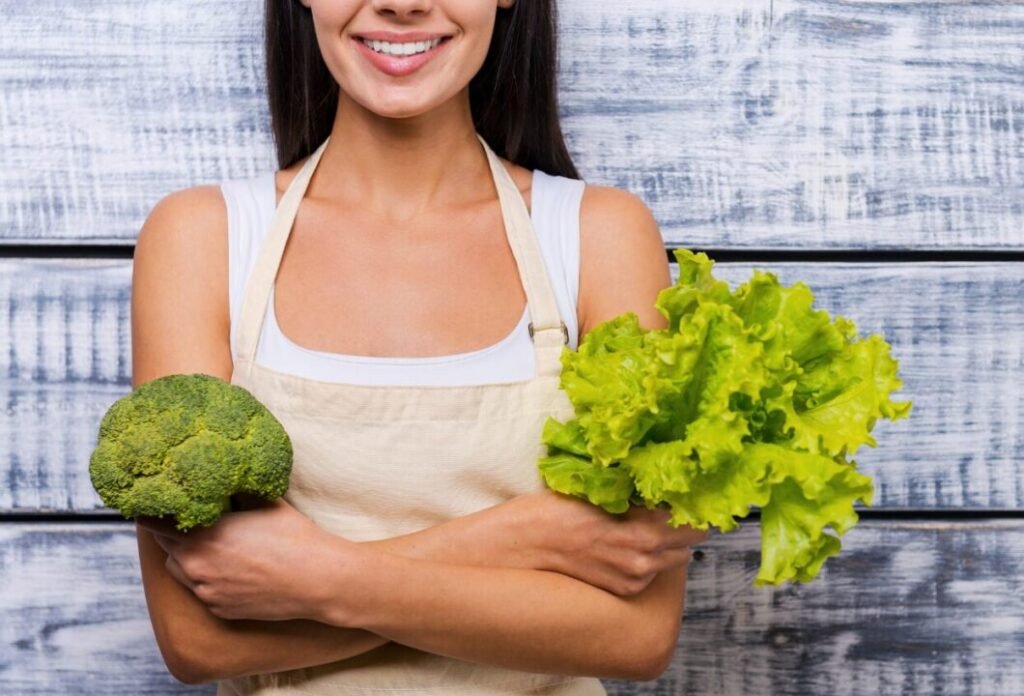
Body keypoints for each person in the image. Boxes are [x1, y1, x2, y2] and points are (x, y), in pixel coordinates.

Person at [131, 0, 707, 693]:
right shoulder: (203, 236)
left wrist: (320, 578)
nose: (403, 3)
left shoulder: (600, 236)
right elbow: (198, 641)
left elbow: (637, 636)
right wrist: (523, 538)